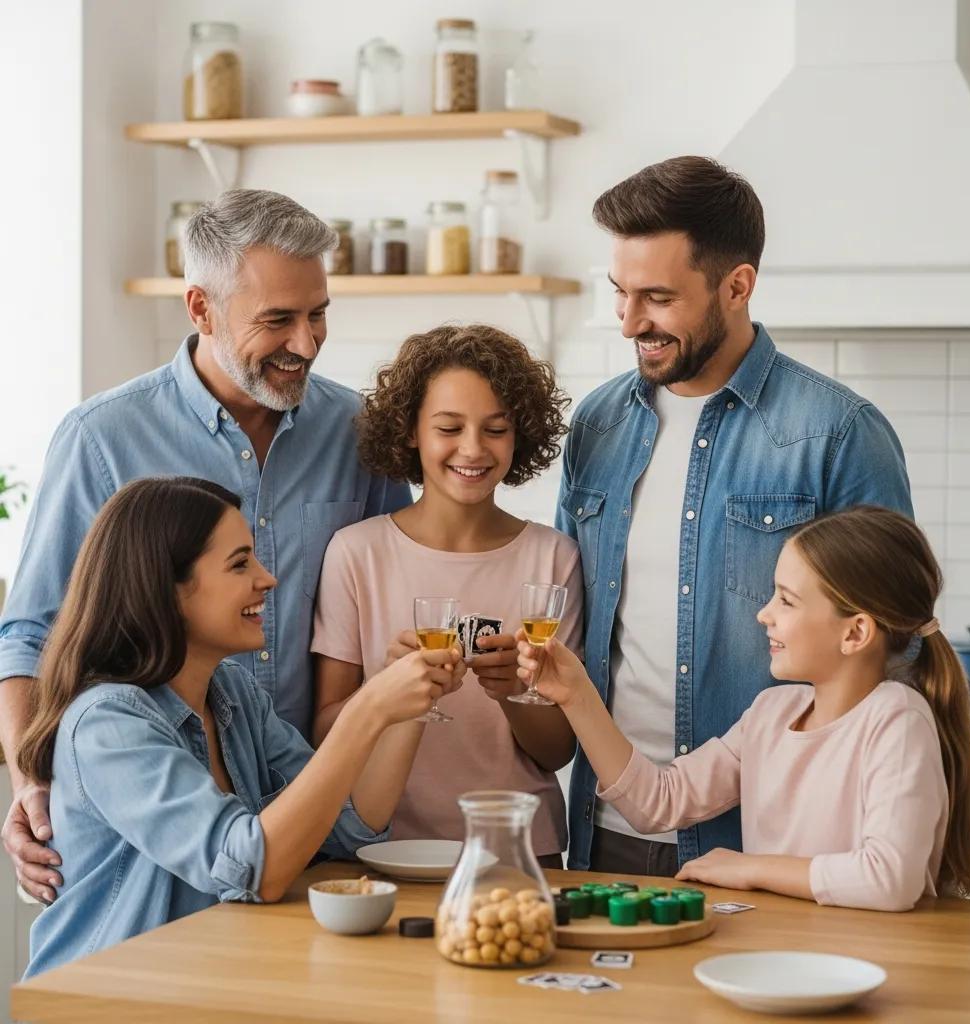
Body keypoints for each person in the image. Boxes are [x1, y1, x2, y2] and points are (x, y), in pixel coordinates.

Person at [0, 189, 410, 903]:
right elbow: (32, 632)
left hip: (299, 803)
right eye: (277, 320)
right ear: (201, 308)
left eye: (318, 315)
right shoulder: (102, 437)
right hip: (153, 806)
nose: (306, 343)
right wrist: (32, 777)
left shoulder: (355, 430)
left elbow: (385, 588)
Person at [557, 156, 914, 873]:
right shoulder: (597, 425)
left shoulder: (837, 433)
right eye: (620, 294)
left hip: (776, 843)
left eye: (657, 297)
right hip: (610, 828)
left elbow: (892, 652)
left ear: (737, 285)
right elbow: (573, 615)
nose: (630, 323)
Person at [19, 477, 462, 978]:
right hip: (108, 1001)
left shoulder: (232, 693)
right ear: (166, 589)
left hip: (213, 984)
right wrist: (368, 710)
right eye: (240, 563)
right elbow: (257, 870)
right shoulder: (108, 725)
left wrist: (409, 703)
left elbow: (350, 826)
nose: (267, 579)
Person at [518, 506, 970, 910]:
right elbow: (657, 802)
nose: (764, 613)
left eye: (786, 600)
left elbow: (891, 879)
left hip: (868, 967)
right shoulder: (771, 713)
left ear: (855, 633)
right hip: (782, 954)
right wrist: (576, 695)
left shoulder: (896, 719)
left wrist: (749, 867)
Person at [311, 325, 582, 866]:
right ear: (411, 431)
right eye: (449, 428)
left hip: (522, 850)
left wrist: (510, 690)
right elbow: (322, 731)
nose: (473, 449)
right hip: (384, 848)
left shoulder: (554, 557)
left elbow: (560, 750)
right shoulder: (356, 553)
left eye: (496, 429)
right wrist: (388, 691)